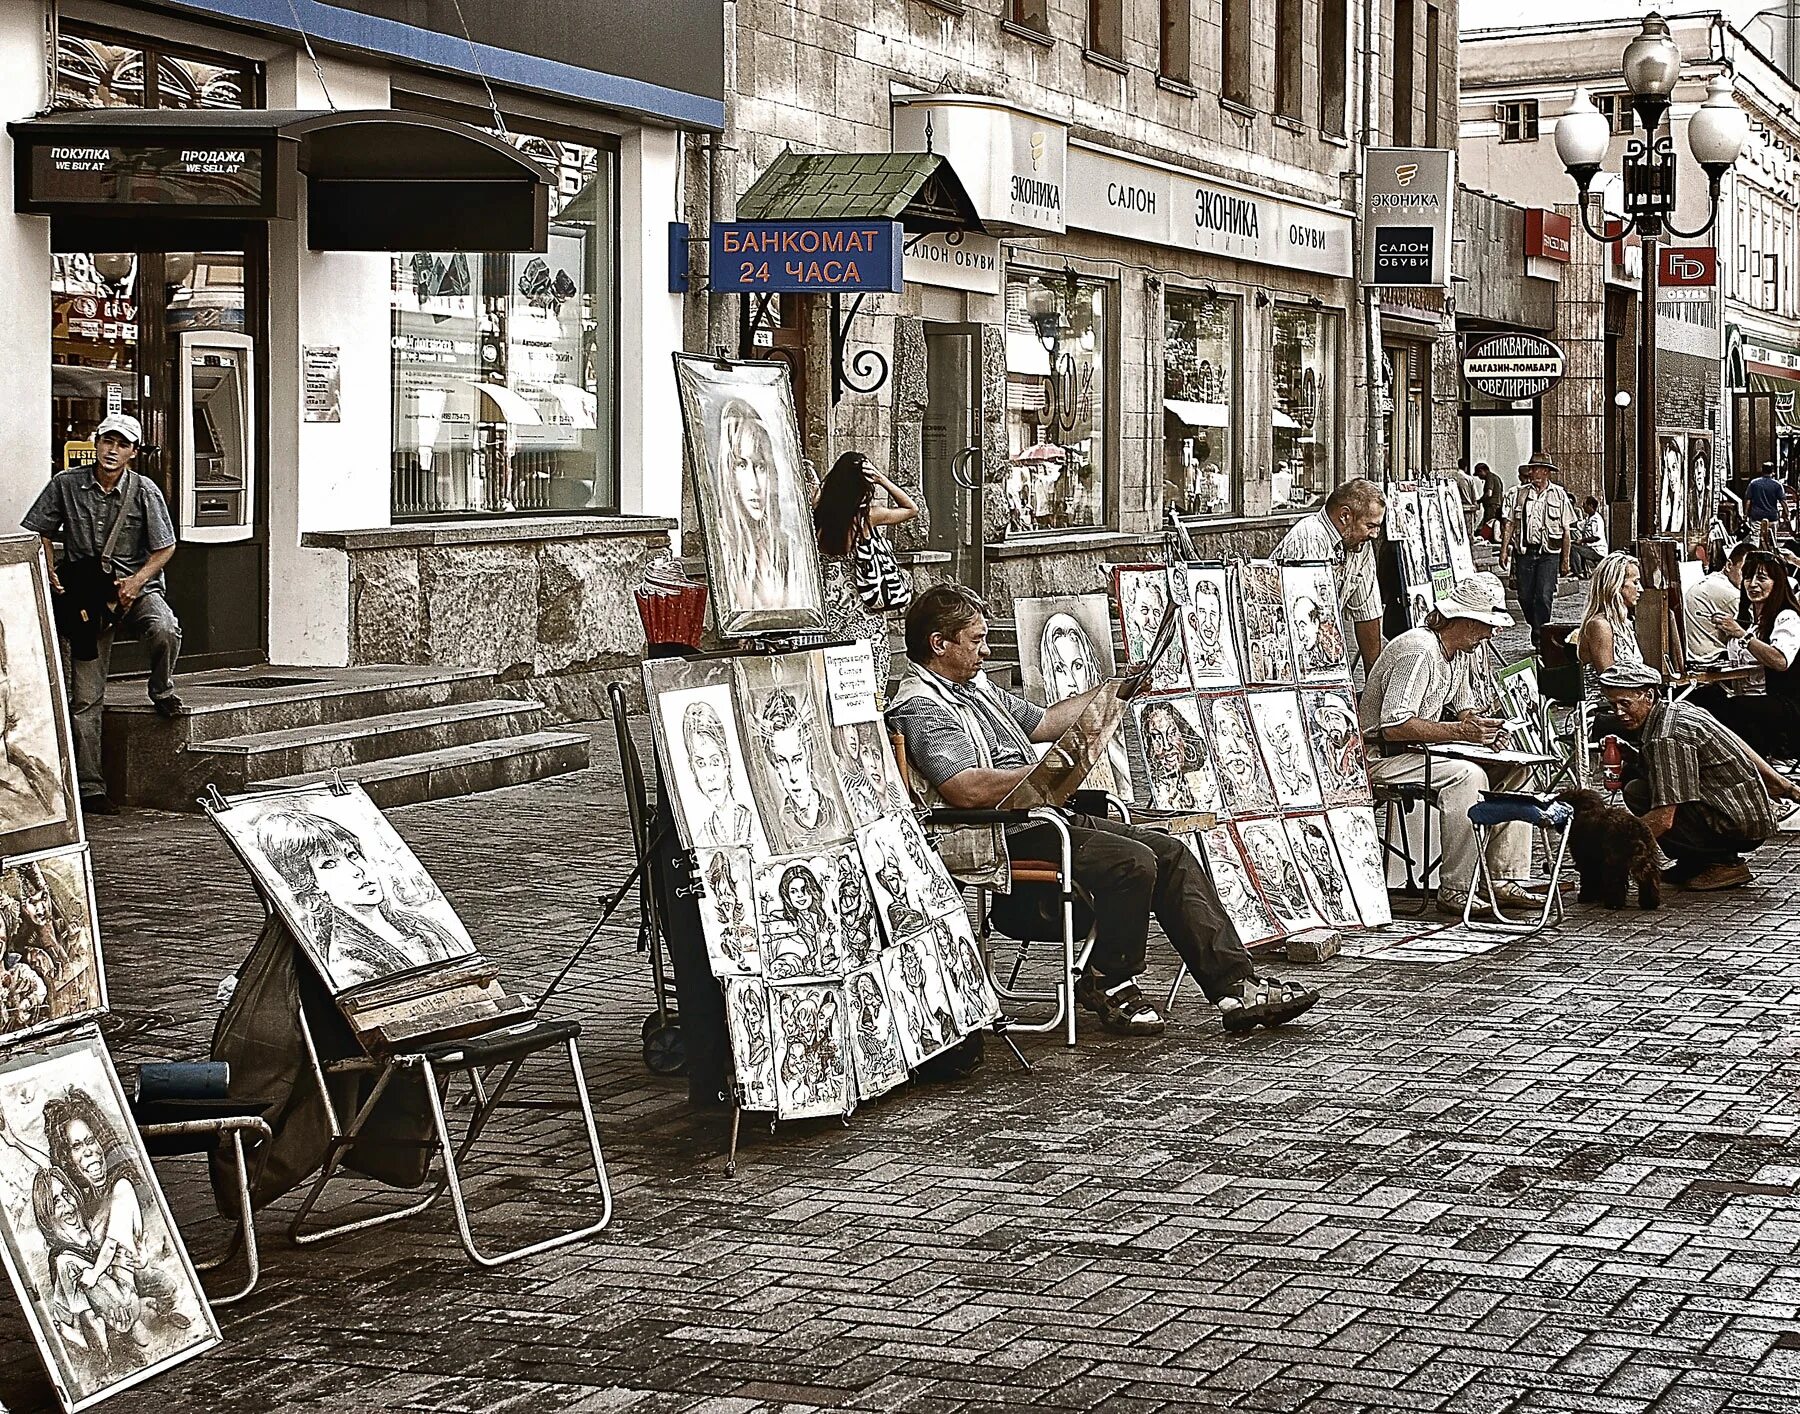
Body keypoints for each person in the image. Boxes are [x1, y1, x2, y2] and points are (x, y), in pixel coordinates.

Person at [886, 583, 1318, 1035]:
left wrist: (1115, 691)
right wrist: (1040, 775)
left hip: (1039, 816)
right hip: (1000, 830)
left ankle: (1236, 987)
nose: (986, 649)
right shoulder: (921, 706)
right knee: (1132, 863)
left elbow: (1046, 720)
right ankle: (1109, 980)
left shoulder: (974, 689)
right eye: (976, 640)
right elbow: (965, 788)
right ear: (940, 644)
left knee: (1171, 853)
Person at [22, 413, 182, 814]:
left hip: (135, 588)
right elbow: (40, 528)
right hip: (87, 600)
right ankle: (91, 786)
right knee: (86, 696)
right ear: (96, 443)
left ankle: (161, 688)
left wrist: (136, 582)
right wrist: (51, 567)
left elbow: (165, 547)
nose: (113, 450)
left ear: (133, 452)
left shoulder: (144, 491)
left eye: (123, 444)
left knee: (165, 628)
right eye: (107, 441)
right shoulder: (66, 484)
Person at [1358, 573, 1537, 917]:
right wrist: (1461, 732)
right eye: (1487, 625)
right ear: (1466, 621)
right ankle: (1456, 886)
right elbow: (1394, 726)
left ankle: (1501, 877)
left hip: (1420, 752)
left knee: (1518, 769)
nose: (1491, 634)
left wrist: (1480, 727)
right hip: (1381, 756)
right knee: (1466, 776)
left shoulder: (1461, 651)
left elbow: (1463, 706)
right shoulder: (1419, 650)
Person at [1600, 662, 1787, 890]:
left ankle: (1724, 863)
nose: (1619, 713)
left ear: (1649, 696)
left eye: (1625, 704)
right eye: (1613, 705)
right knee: (1638, 781)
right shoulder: (1678, 709)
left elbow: (1663, 818)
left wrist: (1612, 851)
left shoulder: (1667, 736)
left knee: (1638, 792)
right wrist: (1632, 754)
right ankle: (1695, 861)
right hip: (1740, 813)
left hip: (1737, 824)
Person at [252, 807, 466, 987]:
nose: (356, 870)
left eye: (352, 855)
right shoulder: (346, 957)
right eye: (330, 864)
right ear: (311, 884)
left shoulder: (418, 924)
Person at [813, 451, 917, 702]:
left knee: (832, 685)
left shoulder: (818, 514)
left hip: (829, 613)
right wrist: (883, 480)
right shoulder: (867, 517)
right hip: (865, 615)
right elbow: (911, 509)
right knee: (868, 686)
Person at [1686, 550, 1800, 761]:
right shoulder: (1749, 617)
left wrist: (1741, 634)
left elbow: (1780, 661)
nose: (1753, 584)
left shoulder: (1787, 617)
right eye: (1748, 577)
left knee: (1735, 709)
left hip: (1783, 704)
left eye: (1762, 578)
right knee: (1697, 701)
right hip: (1749, 697)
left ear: (1778, 583)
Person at [1271, 478, 1387, 670]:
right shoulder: (1310, 536)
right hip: (1285, 647)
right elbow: (1312, 617)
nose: (1375, 534)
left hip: (1312, 643)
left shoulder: (1360, 546)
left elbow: (1368, 614)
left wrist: (1373, 685)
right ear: (1345, 516)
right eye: (1370, 526)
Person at [714, 397, 804, 613]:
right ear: (729, 472)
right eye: (741, 465)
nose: (754, 484)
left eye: (760, 467)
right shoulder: (722, 543)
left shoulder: (786, 546)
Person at [1498, 450, 1576, 646]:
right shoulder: (1519, 494)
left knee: (1543, 594)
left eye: (1537, 469)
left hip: (1549, 554)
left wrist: (1565, 561)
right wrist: (1504, 550)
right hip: (1525, 552)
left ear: (1546, 472)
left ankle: (1541, 639)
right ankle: (1537, 627)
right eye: (1532, 469)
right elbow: (1509, 524)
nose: (1533, 473)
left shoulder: (1559, 495)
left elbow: (1567, 530)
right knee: (1524, 596)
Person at [748, 687, 842, 848]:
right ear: (774, 764)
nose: (793, 775)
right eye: (782, 762)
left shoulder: (834, 810)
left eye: (797, 759)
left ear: (809, 755)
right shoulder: (779, 824)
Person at [1576, 552, 1647, 716]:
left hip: (1629, 705)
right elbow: (1611, 680)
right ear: (1617, 585)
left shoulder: (1625, 623)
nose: (1640, 589)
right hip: (1605, 709)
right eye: (1635, 582)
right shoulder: (1599, 625)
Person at [681, 701, 757, 847]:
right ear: (692, 768)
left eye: (715, 762)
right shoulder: (702, 838)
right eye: (701, 764)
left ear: (726, 761)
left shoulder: (754, 824)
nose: (710, 776)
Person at [1683, 542, 1750, 664]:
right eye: (1744, 573)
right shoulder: (1730, 594)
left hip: (1696, 654)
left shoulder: (1715, 580)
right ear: (1729, 565)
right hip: (1710, 657)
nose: (1750, 581)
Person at [1573, 496, 1608, 577]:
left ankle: (1578, 573)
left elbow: (1596, 537)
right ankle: (1584, 571)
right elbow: (1578, 525)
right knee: (1577, 546)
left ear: (1591, 506)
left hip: (1597, 550)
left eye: (1585, 504)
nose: (1583, 506)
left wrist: (1582, 541)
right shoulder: (1589, 518)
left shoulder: (1597, 519)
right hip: (1590, 548)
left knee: (1574, 548)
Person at [1476, 461, 1506, 536]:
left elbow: (1489, 493)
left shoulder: (1489, 477)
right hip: (1497, 505)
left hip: (1491, 505)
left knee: (1488, 524)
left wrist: (1479, 501)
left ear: (1482, 470)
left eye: (1479, 474)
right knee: (1494, 525)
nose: (1479, 477)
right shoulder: (1496, 478)